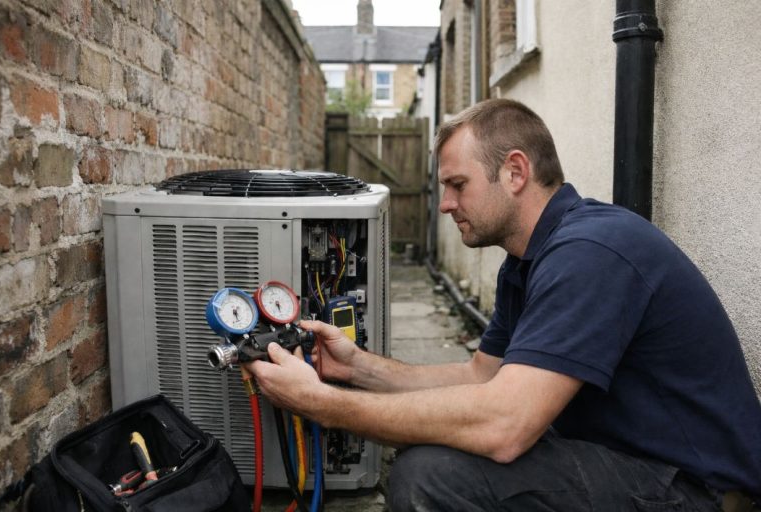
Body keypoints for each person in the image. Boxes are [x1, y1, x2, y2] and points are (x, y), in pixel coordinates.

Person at [248, 99, 761, 511]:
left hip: (692, 489)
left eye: (458, 185)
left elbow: (504, 427)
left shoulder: (590, 254)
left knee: (431, 476)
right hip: (623, 459)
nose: (445, 203)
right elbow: (481, 377)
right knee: (434, 447)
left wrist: (323, 405)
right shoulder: (530, 259)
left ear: (515, 171)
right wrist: (356, 368)